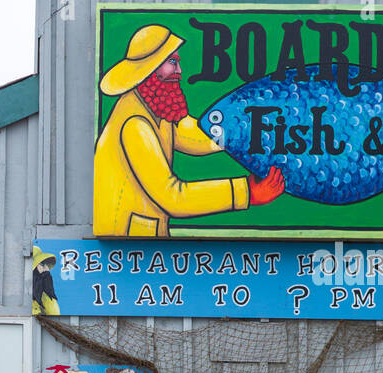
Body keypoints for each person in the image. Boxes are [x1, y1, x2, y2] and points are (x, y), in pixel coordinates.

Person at [94, 24, 285, 237]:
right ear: (150, 67)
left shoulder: (155, 106)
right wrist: (246, 193)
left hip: (146, 242)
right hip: (127, 248)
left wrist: (249, 131)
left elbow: (197, 135)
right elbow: (173, 197)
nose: (179, 71)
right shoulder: (135, 124)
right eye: (172, 62)